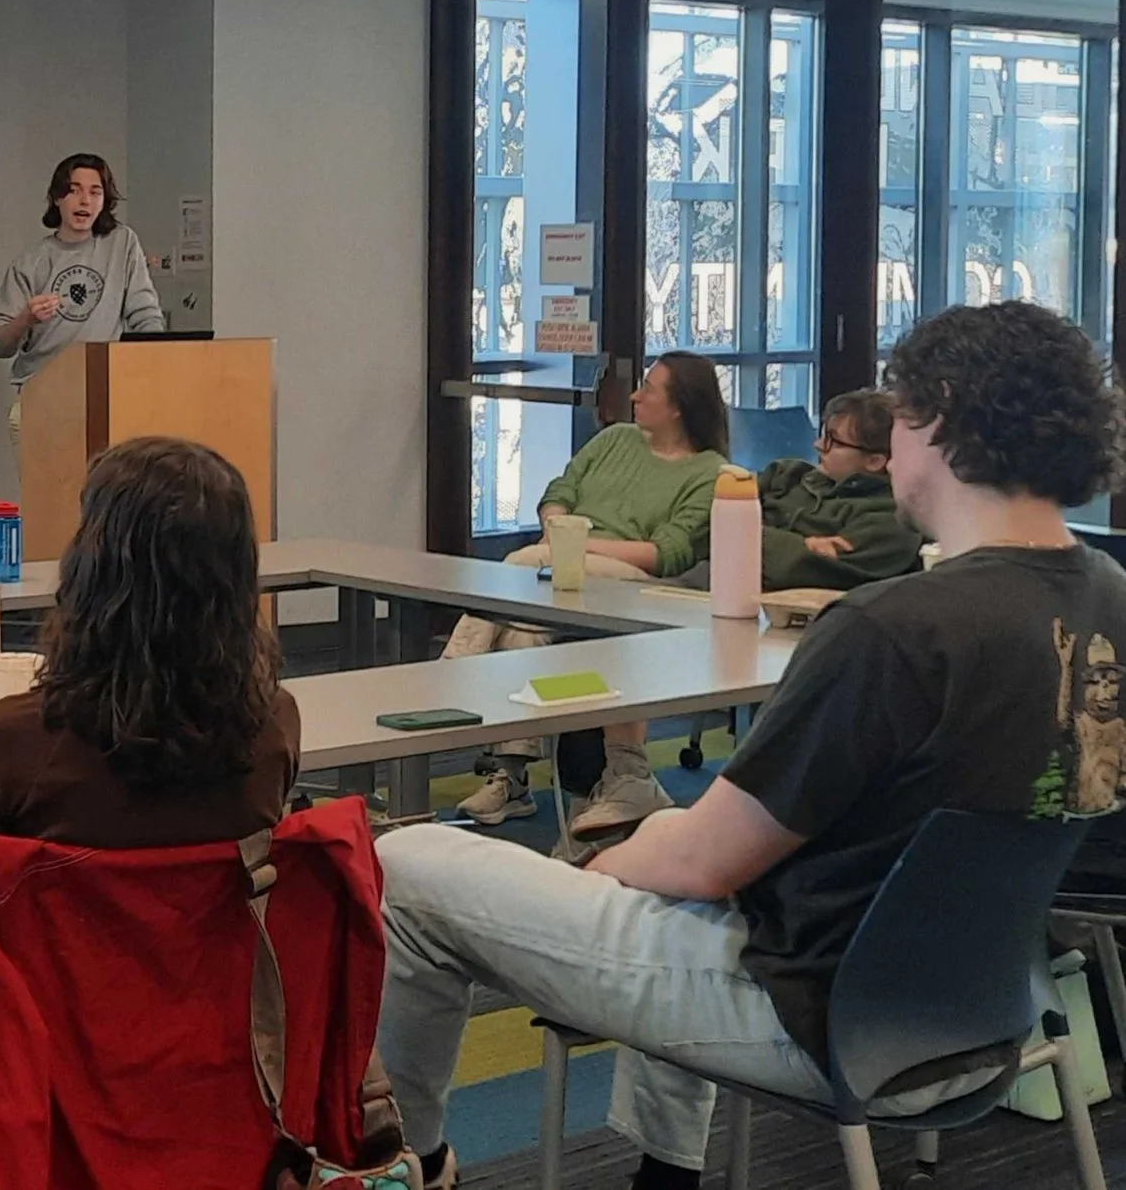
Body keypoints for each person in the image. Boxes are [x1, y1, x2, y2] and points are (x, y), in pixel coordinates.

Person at [375, 301, 1126, 1190]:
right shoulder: (1109, 595)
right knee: (686, 878)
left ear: (943, 417)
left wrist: (614, 860)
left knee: (409, 861)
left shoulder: (892, 631)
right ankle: (664, 1173)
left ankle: (406, 1162)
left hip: (812, 1014)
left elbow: (701, 861)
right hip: (988, 1009)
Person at [0, 435, 298, 850]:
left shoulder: (4, 741)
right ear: (238, 581)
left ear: (90, 574)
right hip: (209, 917)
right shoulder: (275, 726)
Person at [450, 353, 728, 831]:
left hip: (634, 583)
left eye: (649, 389)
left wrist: (573, 543)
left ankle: (453, 677)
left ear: (679, 407)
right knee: (525, 632)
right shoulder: (614, 439)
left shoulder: (711, 473)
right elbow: (561, 488)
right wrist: (557, 527)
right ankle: (512, 778)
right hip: (565, 563)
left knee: (519, 566)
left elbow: (668, 553)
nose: (636, 396)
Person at [673, 389, 924, 594]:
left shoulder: (891, 517)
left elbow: (813, 572)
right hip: (692, 588)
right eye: (822, 434)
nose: (817, 445)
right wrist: (802, 544)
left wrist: (744, 535)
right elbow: (704, 534)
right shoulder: (784, 474)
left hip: (770, 616)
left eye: (833, 441)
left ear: (875, 461)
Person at [0, 153, 165, 439]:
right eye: (74, 190)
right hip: (42, 399)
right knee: (49, 485)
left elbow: (145, 313)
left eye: (95, 192)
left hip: (106, 395)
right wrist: (26, 319)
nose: (85, 201)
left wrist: (157, 363)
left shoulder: (122, 243)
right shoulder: (30, 263)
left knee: (109, 483)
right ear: (57, 198)